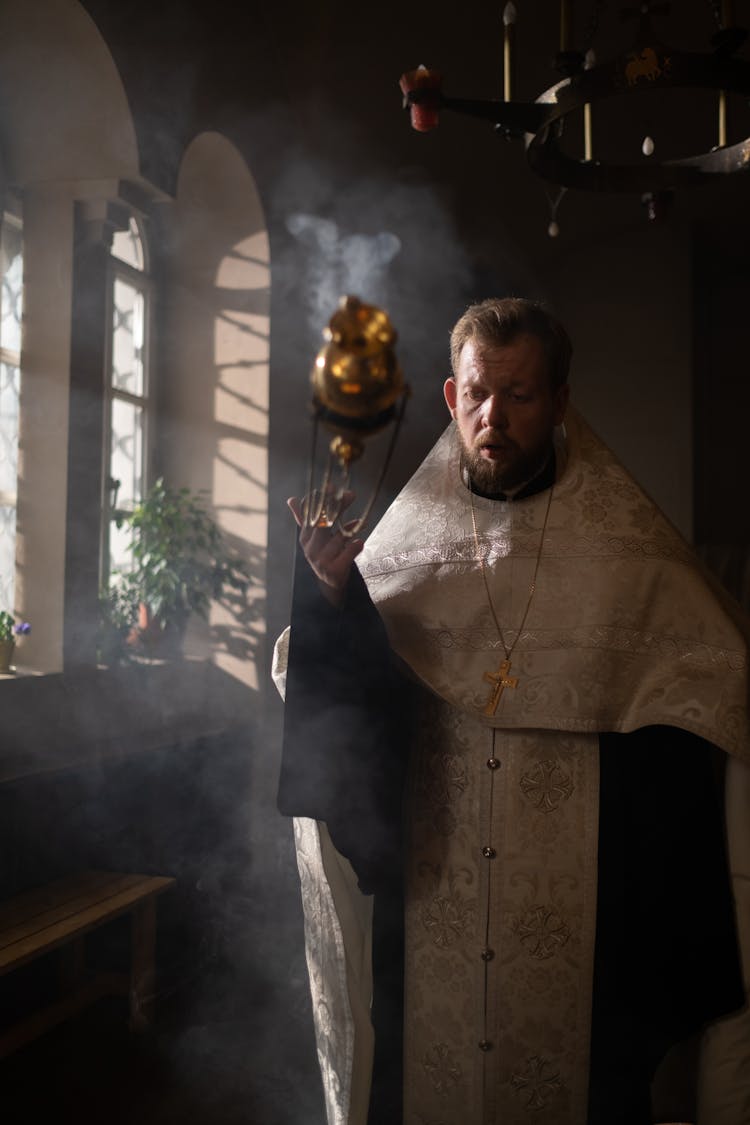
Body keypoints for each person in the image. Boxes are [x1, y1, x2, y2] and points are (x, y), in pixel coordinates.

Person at [273, 297, 750, 1125]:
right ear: (455, 399)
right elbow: (356, 721)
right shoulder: (401, 548)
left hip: (586, 929)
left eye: (522, 395)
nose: (496, 416)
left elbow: (713, 683)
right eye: (479, 393)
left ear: (561, 403)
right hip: (434, 908)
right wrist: (332, 597)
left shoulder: (636, 560)